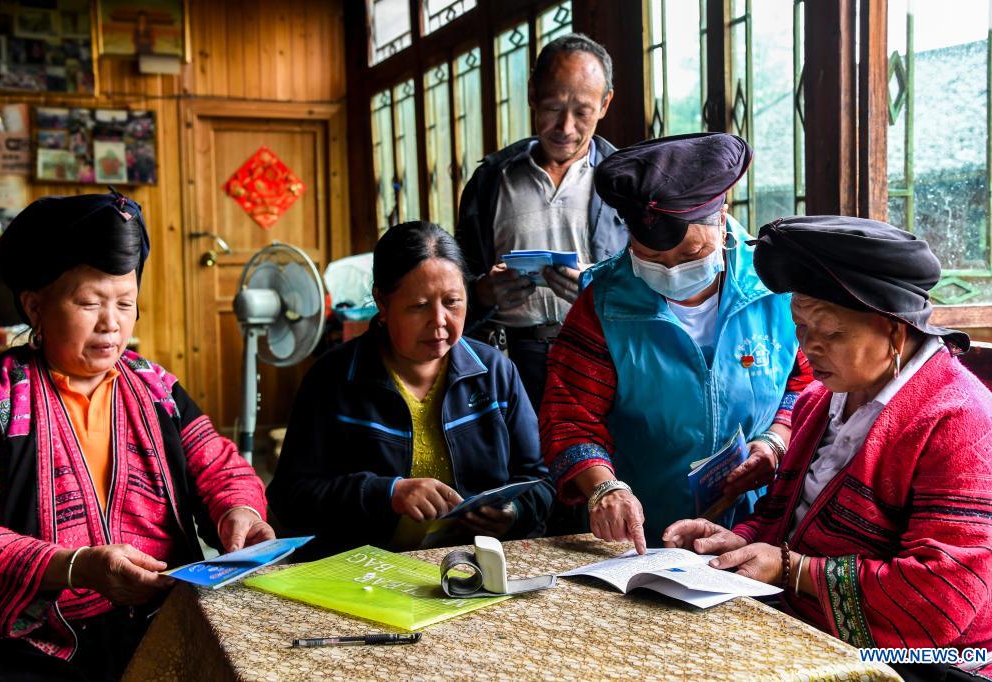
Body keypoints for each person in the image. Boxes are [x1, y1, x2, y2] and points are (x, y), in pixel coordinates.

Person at [664, 216, 992, 681]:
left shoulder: (961, 423)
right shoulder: (820, 402)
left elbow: (942, 598)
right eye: (801, 327)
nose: (809, 349)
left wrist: (792, 570)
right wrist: (738, 543)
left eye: (831, 334)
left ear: (894, 330)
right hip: (812, 626)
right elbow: (783, 521)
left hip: (941, 661)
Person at [0, 192, 274, 680]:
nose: (111, 323)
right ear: (35, 305)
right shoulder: (1, 397)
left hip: (166, 616)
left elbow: (220, 464)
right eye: (88, 302)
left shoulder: (155, 387)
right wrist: (78, 565)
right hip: (41, 643)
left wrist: (240, 512)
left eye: (125, 303)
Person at [540, 133, 812, 552]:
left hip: (760, 527)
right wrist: (604, 487)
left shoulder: (775, 287)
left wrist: (776, 440)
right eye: (649, 259)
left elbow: (808, 383)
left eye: (689, 256)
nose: (670, 271)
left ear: (721, 219)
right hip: (639, 536)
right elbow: (571, 413)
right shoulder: (605, 306)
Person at [267, 221, 552, 557]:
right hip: (365, 573)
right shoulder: (335, 379)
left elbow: (540, 481)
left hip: (470, 566)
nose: (440, 321)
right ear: (382, 305)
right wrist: (388, 493)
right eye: (419, 306)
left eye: (452, 302)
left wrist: (513, 514)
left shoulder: (494, 373)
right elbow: (290, 499)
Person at [455, 33, 627, 412]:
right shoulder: (490, 182)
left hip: (601, 358)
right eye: (552, 107)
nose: (565, 127)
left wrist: (599, 287)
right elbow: (454, 285)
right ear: (532, 94)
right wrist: (483, 293)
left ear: (605, 104)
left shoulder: (626, 183)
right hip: (507, 363)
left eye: (582, 111)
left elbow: (658, 285)